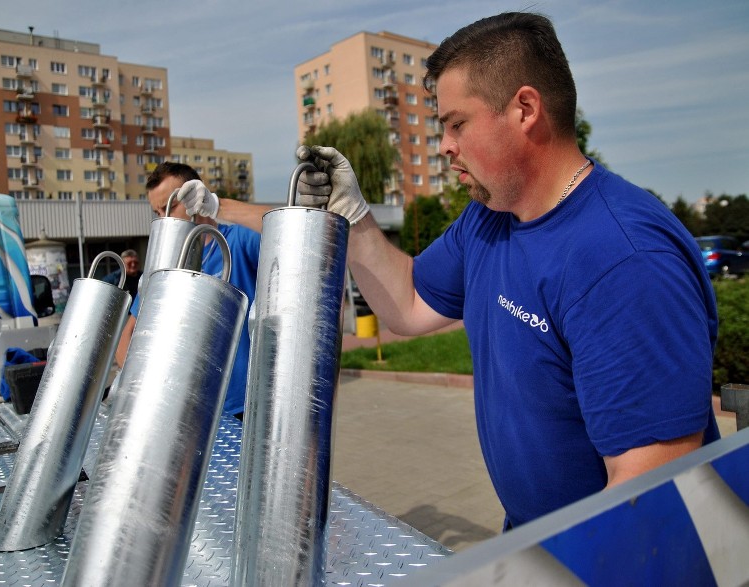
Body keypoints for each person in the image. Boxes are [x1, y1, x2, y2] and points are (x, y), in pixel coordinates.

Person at [290, 12, 720, 529]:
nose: (444, 145)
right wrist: (354, 217)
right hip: (533, 540)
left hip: (599, 557)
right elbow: (406, 304)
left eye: (456, 124)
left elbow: (651, 499)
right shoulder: (489, 220)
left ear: (524, 109)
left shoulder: (622, 260)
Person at [114, 162, 265, 418]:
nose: (165, 219)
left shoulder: (237, 242)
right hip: (188, 412)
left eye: (171, 205)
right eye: (157, 212)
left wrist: (219, 205)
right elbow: (125, 339)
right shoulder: (166, 267)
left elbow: (288, 229)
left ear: (196, 196)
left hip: (246, 406)